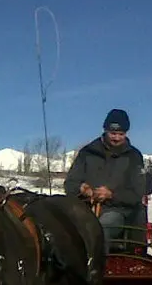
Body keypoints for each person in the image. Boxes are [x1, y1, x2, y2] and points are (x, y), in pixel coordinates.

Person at [63, 108, 146, 256]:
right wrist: (81, 188)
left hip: (119, 211)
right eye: (113, 133)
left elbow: (137, 192)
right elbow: (70, 183)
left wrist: (111, 195)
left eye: (121, 134)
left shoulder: (133, 156)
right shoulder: (87, 152)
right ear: (105, 130)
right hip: (85, 208)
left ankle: (97, 270)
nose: (116, 138)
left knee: (100, 228)